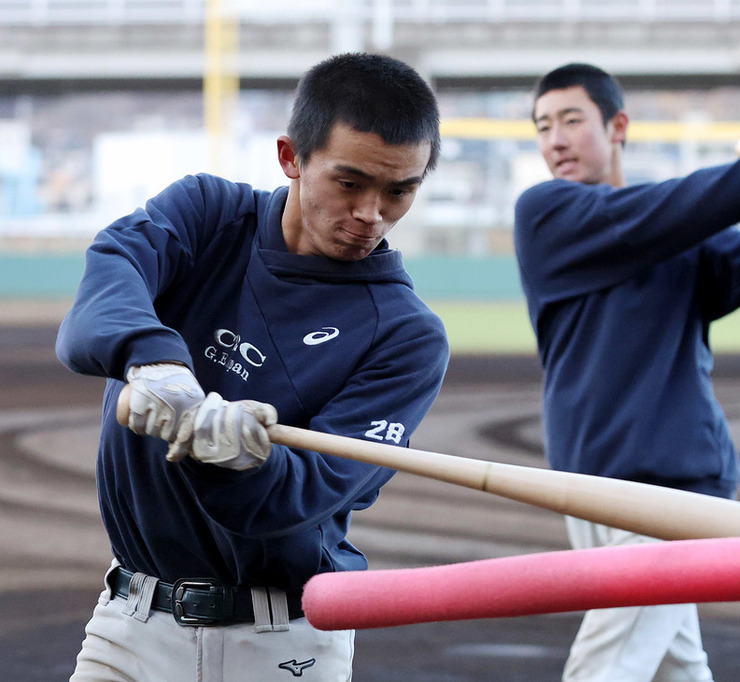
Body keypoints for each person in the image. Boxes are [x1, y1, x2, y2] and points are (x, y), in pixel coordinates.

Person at [56, 52, 449, 681]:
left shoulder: (407, 336)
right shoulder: (207, 215)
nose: (371, 214)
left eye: (399, 190)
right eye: (349, 184)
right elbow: (108, 279)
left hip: (284, 645)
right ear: (291, 157)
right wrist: (155, 362)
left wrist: (240, 457)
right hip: (130, 623)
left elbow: (296, 496)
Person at [513, 63, 740, 681]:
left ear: (617, 125)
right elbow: (670, 210)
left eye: (572, 120)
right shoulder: (547, 213)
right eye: (544, 126)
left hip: (670, 492)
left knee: (606, 668)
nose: (555, 139)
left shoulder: (673, 230)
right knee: (674, 668)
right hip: (587, 488)